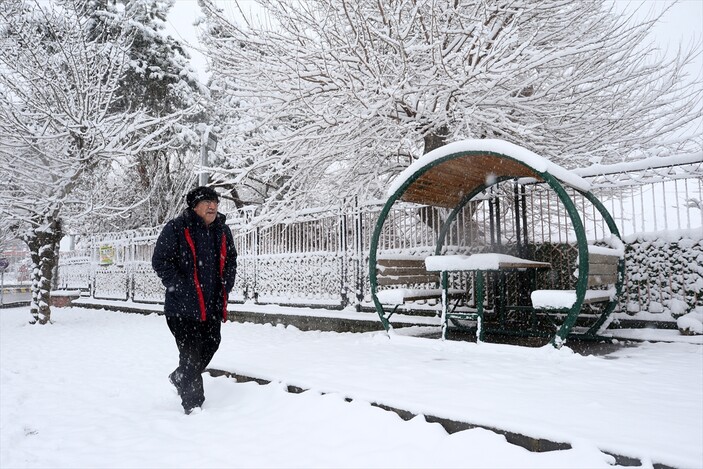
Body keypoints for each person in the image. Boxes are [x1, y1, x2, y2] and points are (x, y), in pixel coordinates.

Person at [152, 186, 237, 414]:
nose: (212, 206)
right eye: (207, 201)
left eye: (215, 202)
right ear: (194, 206)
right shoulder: (176, 228)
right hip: (182, 307)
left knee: (211, 344)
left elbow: (231, 261)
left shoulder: (222, 231)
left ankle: (180, 376)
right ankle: (193, 406)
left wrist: (225, 286)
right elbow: (160, 261)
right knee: (190, 353)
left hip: (211, 306)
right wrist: (183, 287)